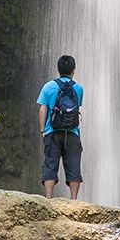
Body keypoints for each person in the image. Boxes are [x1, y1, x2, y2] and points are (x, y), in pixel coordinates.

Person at [37, 55, 84, 200]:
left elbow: (43, 109)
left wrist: (43, 130)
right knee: (74, 165)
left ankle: (49, 198)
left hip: (52, 131)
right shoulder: (78, 89)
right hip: (72, 132)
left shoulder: (48, 87)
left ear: (58, 69)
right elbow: (76, 109)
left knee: (50, 163)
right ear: (73, 70)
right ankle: (74, 199)